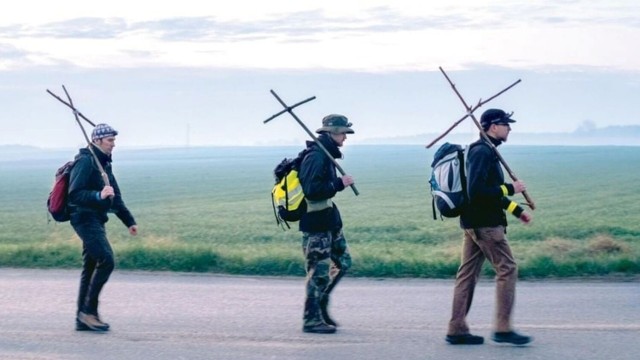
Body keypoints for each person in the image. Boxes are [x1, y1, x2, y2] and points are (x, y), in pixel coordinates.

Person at [445, 109, 533, 345]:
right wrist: (511, 188)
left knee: (467, 275)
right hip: (486, 226)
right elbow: (478, 192)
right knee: (508, 269)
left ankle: (456, 329)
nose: (509, 128)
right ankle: (503, 329)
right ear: (493, 127)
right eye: (506, 124)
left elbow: (492, 191)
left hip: (474, 223)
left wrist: (517, 211)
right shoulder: (483, 152)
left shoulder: (484, 151)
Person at [68, 123, 138, 331]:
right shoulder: (85, 162)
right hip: (84, 218)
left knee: (90, 266)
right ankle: (88, 312)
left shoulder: (104, 164)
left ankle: (83, 318)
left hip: (96, 219)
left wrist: (129, 221)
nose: (113, 144)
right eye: (110, 140)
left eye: (114, 140)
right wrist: (98, 195)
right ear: (97, 141)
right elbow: (74, 194)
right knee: (106, 260)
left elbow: (115, 195)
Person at [297, 114, 355, 334]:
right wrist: (340, 183)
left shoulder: (326, 155)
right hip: (316, 226)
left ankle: (320, 305)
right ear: (330, 133)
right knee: (319, 273)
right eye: (342, 133)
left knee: (343, 262)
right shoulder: (316, 157)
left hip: (328, 221)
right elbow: (312, 191)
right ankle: (311, 320)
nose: (345, 138)